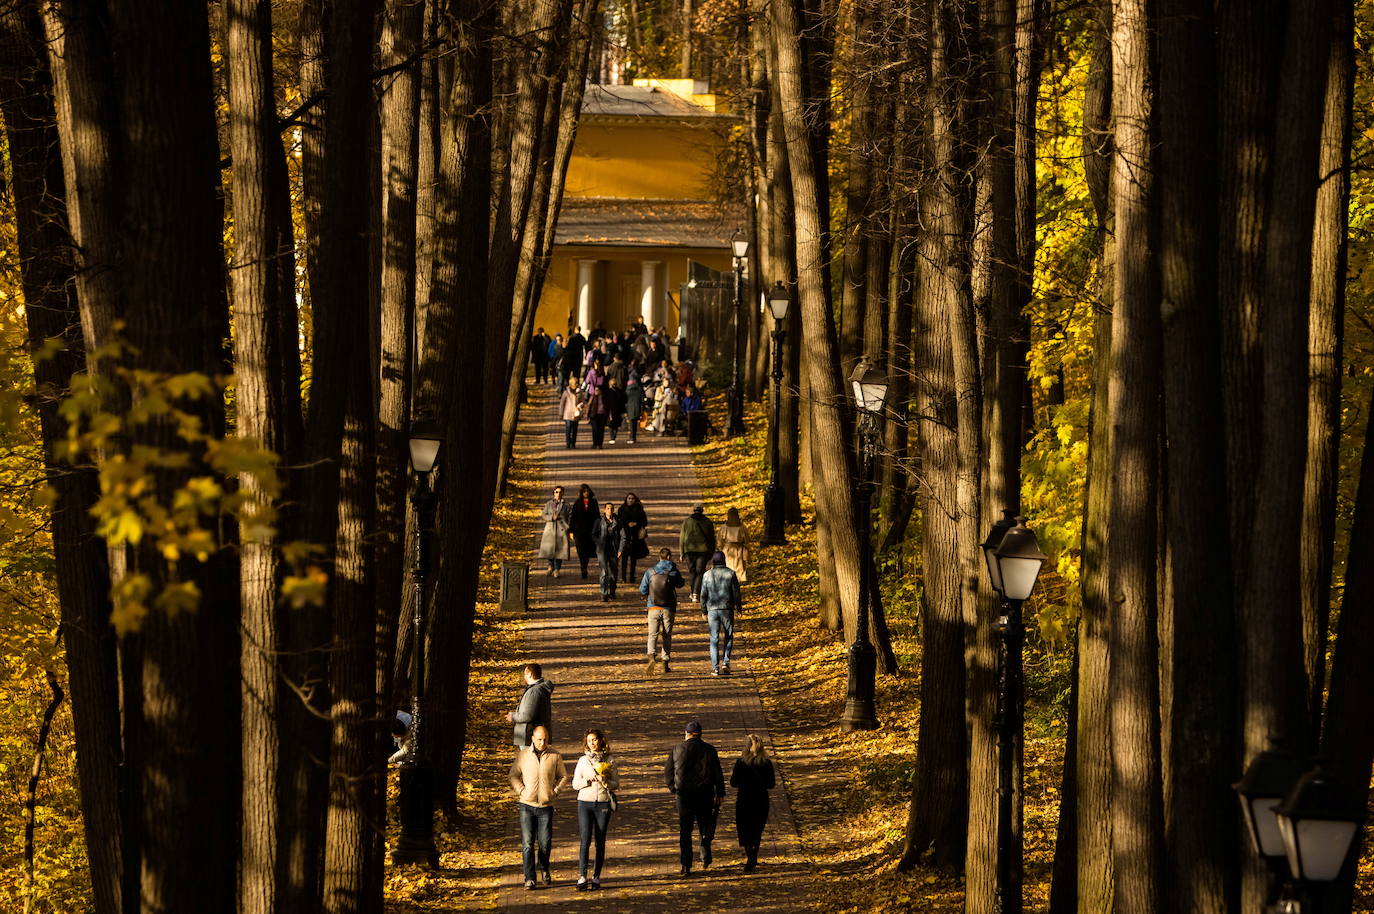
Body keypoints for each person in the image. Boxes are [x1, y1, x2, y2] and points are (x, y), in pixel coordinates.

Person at [509, 725, 568, 890]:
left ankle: (544, 867)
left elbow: (563, 776)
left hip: (546, 806)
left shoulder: (554, 755)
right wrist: (521, 790)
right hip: (527, 805)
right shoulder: (523, 755)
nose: (542, 742)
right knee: (527, 843)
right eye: (539, 739)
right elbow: (513, 775)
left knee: (544, 842)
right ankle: (529, 878)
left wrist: (554, 791)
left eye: (545, 739)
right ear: (533, 739)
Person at [664, 720, 725, 877]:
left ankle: (686, 863)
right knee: (704, 827)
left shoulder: (677, 749)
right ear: (700, 734)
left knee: (685, 830)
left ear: (686, 733)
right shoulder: (710, 750)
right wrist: (720, 793)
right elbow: (718, 773)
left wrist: (674, 789)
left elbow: (668, 772)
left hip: (684, 796)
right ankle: (705, 857)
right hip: (705, 795)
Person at [571, 728, 620, 890]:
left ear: (600, 741)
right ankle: (582, 876)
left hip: (603, 804)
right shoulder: (583, 761)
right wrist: (587, 780)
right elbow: (575, 784)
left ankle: (596, 877)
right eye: (589, 740)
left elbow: (616, 784)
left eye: (595, 740)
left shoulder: (610, 760)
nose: (592, 743)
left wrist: (605, 781)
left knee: (600, 841)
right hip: (585, 803)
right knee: (585, 840)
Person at [730, 734, 775, 872]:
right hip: (761, 799)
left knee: (744, 828)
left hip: (744, 799)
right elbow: (771, 784)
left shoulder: (741, 763)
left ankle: (750, 853)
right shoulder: (766, 763)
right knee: (757, 828)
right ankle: (754, 853)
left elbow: (733, 782)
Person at [639, 547, 685, 673]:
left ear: (659, 557)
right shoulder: (673, 571)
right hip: (668, 608)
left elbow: (642, 589)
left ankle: (651, 656)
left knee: (652, 634)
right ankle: (665, 662)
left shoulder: (650, 571)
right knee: (666, 635)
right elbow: (681, 584)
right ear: (669, 557)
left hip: (653, 606)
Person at [699, 551, 741, 675]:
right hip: (727, 609)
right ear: (724, 560)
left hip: (712, 610)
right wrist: (739, 608)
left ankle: (715, 667)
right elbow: (736, 593)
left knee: (714, 638)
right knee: (728, 635)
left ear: (713, 561)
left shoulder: (707, 575)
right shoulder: (731, 574)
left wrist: (703, 610)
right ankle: (726, 662)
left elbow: (703, 595)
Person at [505, 662, 554, 746]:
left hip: (529, 735)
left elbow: (528, 715)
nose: (524, 677)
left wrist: (513, 716)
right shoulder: (540, 689)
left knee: (528, 758)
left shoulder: (534, 691)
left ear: (530, 674)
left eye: (525, 674)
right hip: (536, 733)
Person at [678, 505, 717, 601]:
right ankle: (696, 593)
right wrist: (712, 551)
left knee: (692, 571)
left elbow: (682, 538)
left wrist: (681, 552)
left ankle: (692, 592)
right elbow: (712, 538)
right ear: (702, 511)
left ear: (694, 510)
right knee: (700, 572)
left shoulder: (687, 521)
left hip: (689, 550)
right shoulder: (707, 522)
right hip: (703, 550)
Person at [538, 486, 572, 576]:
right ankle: (550, 567)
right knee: (550, 549)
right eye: (556, 492)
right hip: (550, 529)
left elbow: (570, 517)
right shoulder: (548, 504)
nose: (558, 494)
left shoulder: (566, 505)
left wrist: (567, 526)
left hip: (561, 530)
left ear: (563, 493)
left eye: (560, 492)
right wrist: (551, 517)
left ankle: (557, 569)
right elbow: (543, 515)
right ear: (553, 493)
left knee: (560, 550)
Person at [617, 493, 649, 583]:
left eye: (632, 498)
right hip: (625, 537)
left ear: (635, 500)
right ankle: (623, 577)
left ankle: (631, 576)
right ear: (626, 499)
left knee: (633, 559)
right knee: (624, 558)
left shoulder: (639, 510)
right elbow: (619, 522)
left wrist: (636, 524)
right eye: (629, 498)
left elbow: (645, 522)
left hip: (635, 537)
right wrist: (627, 524)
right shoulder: (622, 509)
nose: (630, 500)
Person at [569, 484, 599, 579]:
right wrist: (571, 531)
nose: (586, 493)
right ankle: (583, 567)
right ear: (581, 493)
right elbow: (573, 518)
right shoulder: (577, 503)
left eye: (587, 491)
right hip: (579, 532)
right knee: (581, 551)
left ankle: (585, 566)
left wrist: (598, 528)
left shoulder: (594, 502)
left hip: (590, 531)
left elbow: (597, 516)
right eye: (584, 491)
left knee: (588, 551)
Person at [592, 503, 621, 601]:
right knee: (604, 572)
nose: (610, 510)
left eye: (612, 508)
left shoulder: (618, 521)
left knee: (613, 573)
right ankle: (604, 593)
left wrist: (620, 549)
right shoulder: (599, 521)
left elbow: (624, 536)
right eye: (608, 508)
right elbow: (594, 534)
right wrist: (599, 543)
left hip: (614, 550)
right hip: (602, 551)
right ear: (604, 510)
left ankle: (612, 591)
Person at [720, 507, 750, 583]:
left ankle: (728, 580)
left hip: (727, 550)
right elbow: (747, 539)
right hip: (739, 549)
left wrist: (721, 547)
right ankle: (738, 582)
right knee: (739, 567)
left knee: (728, 566)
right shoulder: (742, 527)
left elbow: (720, 540)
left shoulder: (724, 527)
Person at [584, 359, 609, 448]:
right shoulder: (603, 373)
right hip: (602, 398)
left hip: (593, 395)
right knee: (601, 427)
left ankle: (595, 443)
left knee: (594, 427)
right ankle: (600, 443)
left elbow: (587, 381)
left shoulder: (591, 372)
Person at [560, 375, 584, 448]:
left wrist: (580, 405)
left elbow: (582, 401)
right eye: (575, 383)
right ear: (571, 384)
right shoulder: (566, 392)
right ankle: (568, 443)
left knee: (574, 430)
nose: (576, 384)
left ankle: (573, 443)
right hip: (567, 414)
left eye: (577, 383)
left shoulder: (579, 392)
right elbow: (562, 403)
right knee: (568, 428)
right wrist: (561, 413)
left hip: (576, 414)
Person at [624, 362, 645, 444]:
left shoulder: (627, 388)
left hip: (629, 405)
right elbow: (642, 398)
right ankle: (633, 437)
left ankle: (632, 437)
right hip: (636, 405)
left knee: (631, 422)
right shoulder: (639, 388)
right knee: (635, 422)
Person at [604, 377, 626, 445]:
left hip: (612, 410)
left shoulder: (608, 392)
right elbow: (623, 402)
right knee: (614, 425)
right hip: (616, 410)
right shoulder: (619, 391)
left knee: (612, 425)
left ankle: (612, 437)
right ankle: (613, 437)